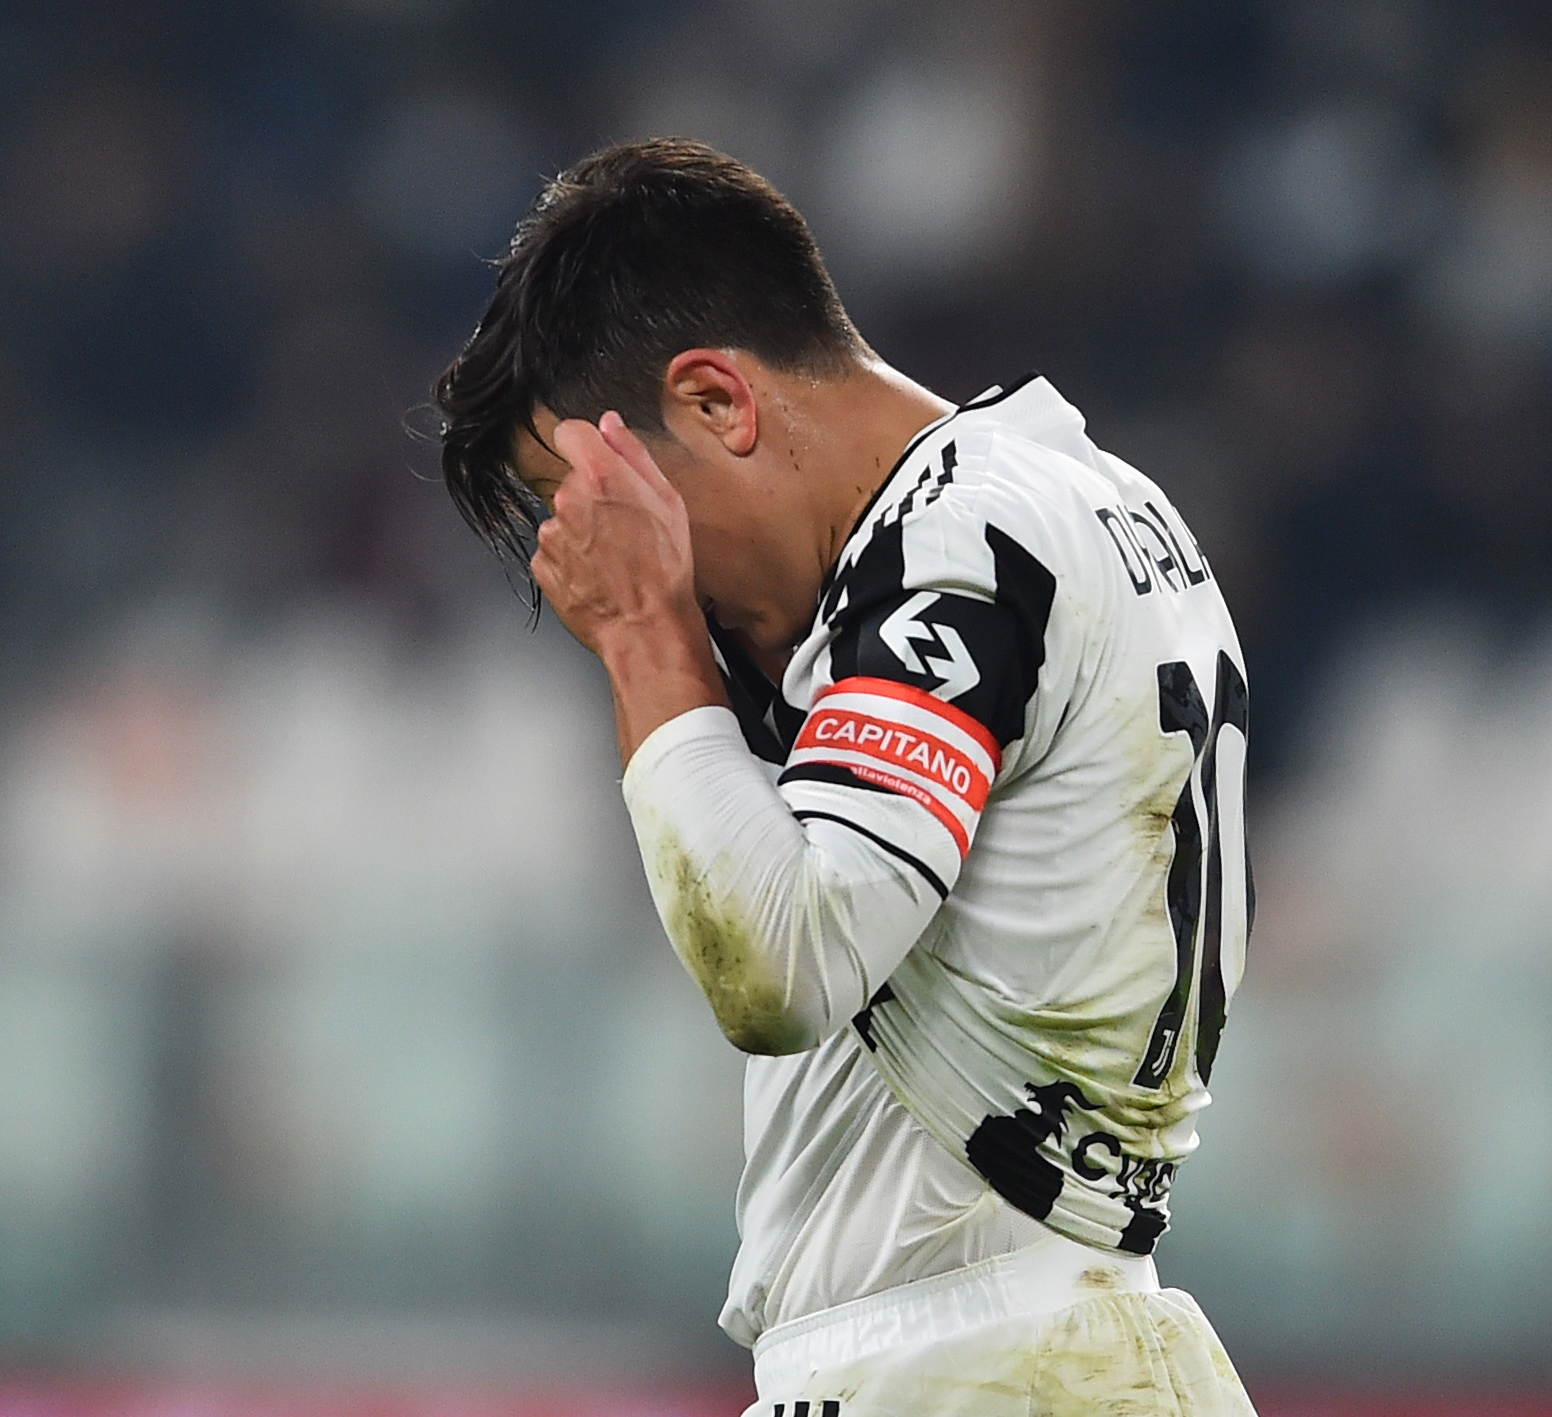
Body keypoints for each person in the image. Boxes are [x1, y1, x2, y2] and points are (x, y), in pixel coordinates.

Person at [432, 139, 1256, 1416]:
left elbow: (786, 961)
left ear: (716, 401)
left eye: (615, 514)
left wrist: (646, 636)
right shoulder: (1094, 498)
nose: (628, 574)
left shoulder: (960, 530)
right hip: (1041, 1341)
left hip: (970, 1364)